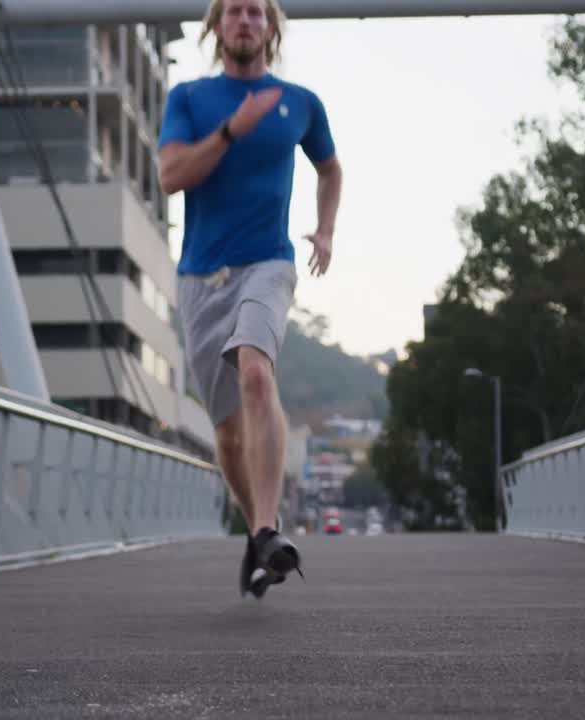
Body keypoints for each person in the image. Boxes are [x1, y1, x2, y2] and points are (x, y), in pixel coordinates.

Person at [157, 0, 343, 598]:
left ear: (272, 28)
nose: (246, 20)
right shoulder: (189, 98)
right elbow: (171, 176)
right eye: (234, 11)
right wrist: (234, 129)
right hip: (200, 278)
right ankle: (252, 529)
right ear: (216, 27)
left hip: (269, 262)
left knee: (258, 374)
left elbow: (330, 168)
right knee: (229, 435)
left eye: (257, 13)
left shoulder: (300, 103)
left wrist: (326, 228)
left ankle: (267, 527)